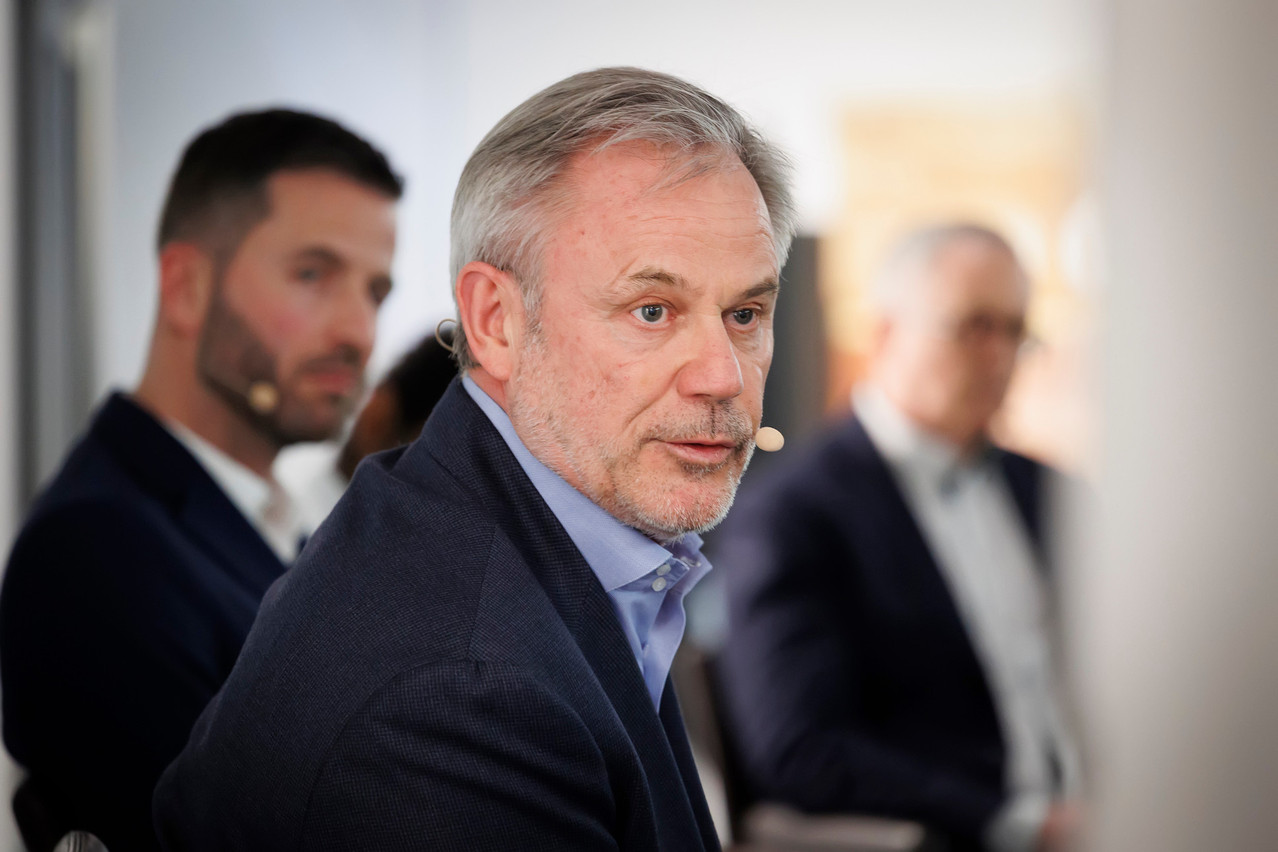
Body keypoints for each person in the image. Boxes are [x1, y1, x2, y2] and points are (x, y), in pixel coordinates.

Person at [153, 66, 797, 851]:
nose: (723, 375)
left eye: (746, 313)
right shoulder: (458, 699)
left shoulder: (475, 527)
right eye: (651, 310)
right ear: (494, 321)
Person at [0, 108, 403, 852]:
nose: (358, 331)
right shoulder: (95, 554)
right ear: (186, 286)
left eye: (375, 291)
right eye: (313, 274)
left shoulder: (280, 522)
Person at [717, 224, 1081, 852]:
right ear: (885, 332)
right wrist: (1024, 823)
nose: (998, 357)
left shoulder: (1049, 492)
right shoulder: (792, 513)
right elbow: (799, 749)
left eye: (1013, 330)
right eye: (972, 327)